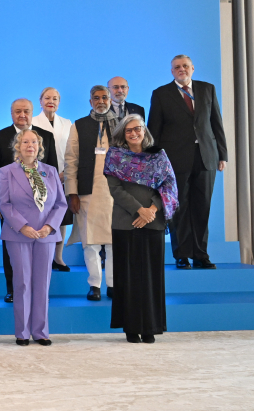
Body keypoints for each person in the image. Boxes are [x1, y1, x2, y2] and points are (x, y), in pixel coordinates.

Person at [147, 55, 226, 270]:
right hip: (174, 161)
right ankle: (181, 255)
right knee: (178, 207)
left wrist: (223, 155)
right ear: (171, 71)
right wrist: (155, 162)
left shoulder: (207, 89)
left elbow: (216, 123)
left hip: (206, 157)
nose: (181, 69)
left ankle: (201, 254)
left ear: (192, 68)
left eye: (185, 66)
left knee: (203, 207)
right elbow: (154, 129)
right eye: (176, 67)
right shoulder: (161, 94)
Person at [106, 114, 178, 343]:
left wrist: (153, 210)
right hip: (125, 222)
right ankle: (130, 327)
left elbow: (169, 185)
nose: (134, 133)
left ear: (144, 130)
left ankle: (151, 327)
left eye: (138, 128)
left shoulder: (159, 155)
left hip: (153, 222)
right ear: (122, 134)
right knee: (128, 277)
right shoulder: (115, 156)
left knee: (151, 277)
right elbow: (115, 190)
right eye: (129, 130)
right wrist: (139, 210)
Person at [0, 129, 69, 346]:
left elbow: (60, 204)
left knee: (42, 284)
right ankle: (22, 332)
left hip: (45, 235)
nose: (30, 145)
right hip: (18, 235)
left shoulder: (51, 171)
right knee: (22, 283)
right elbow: (4, 203)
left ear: (40, 147)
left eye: (34, 142)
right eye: (26, 141)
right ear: (17, 146)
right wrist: (23, 226)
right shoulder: (6, 172)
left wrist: (49, 227)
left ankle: (41, 331)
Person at [0, 99, 58, 303]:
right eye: (18, 111)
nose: (22, 115)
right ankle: (13, 289)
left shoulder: (47, 137)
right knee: (11, 251)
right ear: (11, 114)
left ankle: (39, 291)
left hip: (43, 208)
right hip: (10, 207)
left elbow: (52, 171)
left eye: (26, 111)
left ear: (32, 112)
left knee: (41, 251)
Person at [64, 86, 118, 301]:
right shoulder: (79, 125)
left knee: (113, 241)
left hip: (115, 194)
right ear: (90, 102)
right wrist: (72, 193)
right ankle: (94, 284)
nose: (101, 101)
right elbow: (70, 160)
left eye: (104, 97)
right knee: (91, 242)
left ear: (110, 99)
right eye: (96, 98)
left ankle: (113, 284)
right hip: (87, 192)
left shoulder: (121, 125)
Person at [31, 87, 74, 272]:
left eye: (55, 98)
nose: (51, 101)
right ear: (40, 101)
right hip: (38, 177)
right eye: (47, 98)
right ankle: (41, 257)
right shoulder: (32, 123)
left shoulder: (67, 123)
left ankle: (58, 257)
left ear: (59, 102)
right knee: (40, 216)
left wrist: (65, 174)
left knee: (61, 217)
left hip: (63, 176)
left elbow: (72, 151)